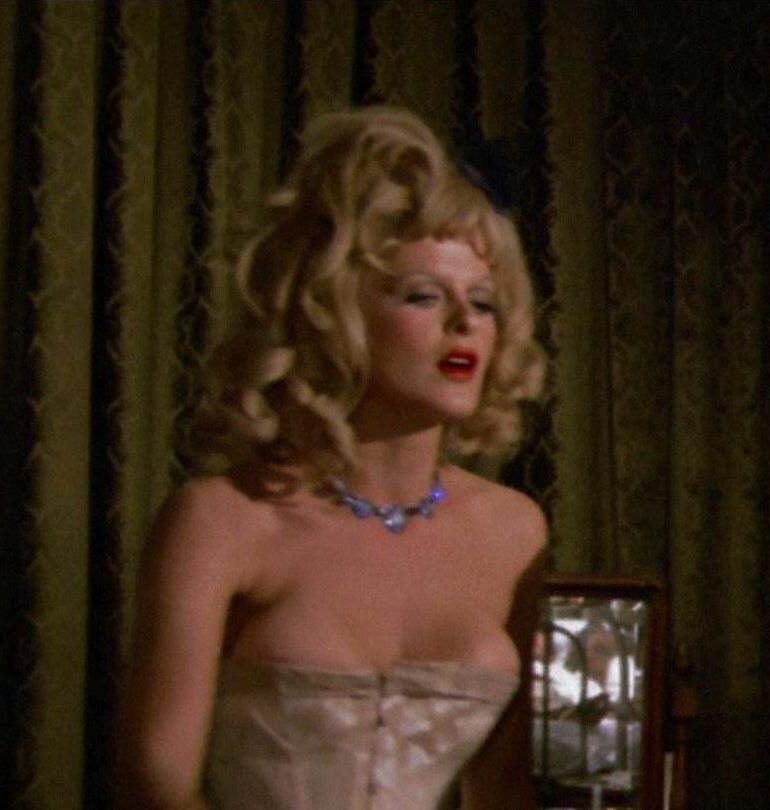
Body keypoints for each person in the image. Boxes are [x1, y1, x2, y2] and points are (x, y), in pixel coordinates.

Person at [116, 106, 548, 810]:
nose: (464, 322)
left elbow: (503, 789)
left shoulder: (514, 533)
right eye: (423, 295)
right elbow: (155, 785)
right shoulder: (221, 520)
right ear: (335, 310)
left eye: (483, 301)